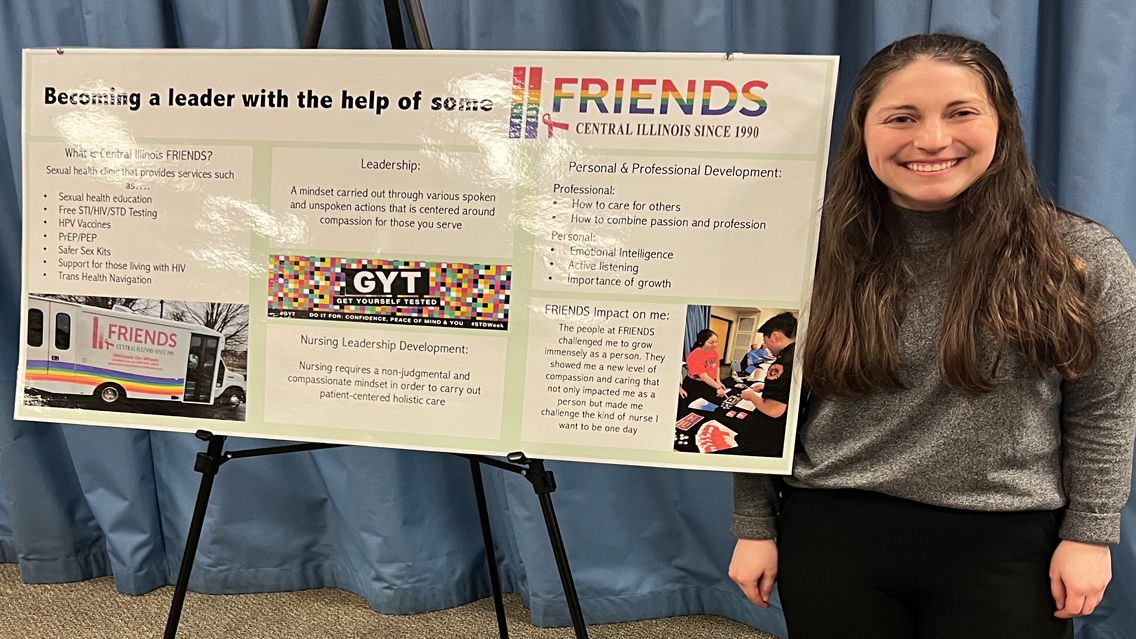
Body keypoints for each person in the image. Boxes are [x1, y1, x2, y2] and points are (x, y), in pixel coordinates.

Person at [728, 34, 1136, 639]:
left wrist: (1089, 534)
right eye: (902, 117)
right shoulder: (804, 252)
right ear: (862, 130)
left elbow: (1104, 411)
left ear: (1002, 124)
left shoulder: (1081, 257)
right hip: (833, 531)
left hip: (1008, 539)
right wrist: (753, 525)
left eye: (961, 113)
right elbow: (763, 401)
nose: (933, 140)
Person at [681, 328, 728, 404]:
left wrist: (718, 381)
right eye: (711, 342)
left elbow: (717, 367)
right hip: (696, 385)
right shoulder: (695, 355)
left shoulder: (714, 352)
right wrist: (718, 387)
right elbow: (703, 376)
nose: (715, 345)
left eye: (716, 342)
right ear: (701, 342)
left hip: (710, 382)